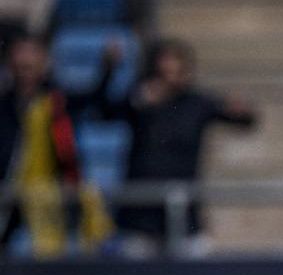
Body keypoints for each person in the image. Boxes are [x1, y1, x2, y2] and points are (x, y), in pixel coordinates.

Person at [94, 38, 256, 254]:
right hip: (140, 217)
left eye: (177, 71)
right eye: (164, 72)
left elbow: (244, 120)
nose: (170, 78)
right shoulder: (139, 100)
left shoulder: (198, 103)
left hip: (184, 214)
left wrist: (243, 110)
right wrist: (109, 71)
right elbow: (103, 113)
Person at [0, 34, 115, 256]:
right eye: (20, 55)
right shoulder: (5, 103)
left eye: (32, 55)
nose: (25, 62)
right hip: (9, 189)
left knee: (57, 251)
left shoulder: (57, 99)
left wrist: (108, 68)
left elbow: (93, 97)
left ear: (44, 61)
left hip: (52, 191)